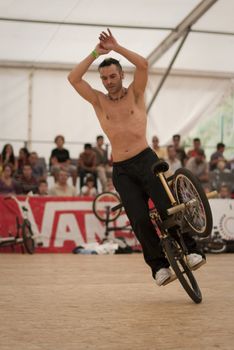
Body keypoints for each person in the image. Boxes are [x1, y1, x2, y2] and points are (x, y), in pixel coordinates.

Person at [68, 28, 205, 286]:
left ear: (121, 75)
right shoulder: (99, 101)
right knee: (139, 219)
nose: (108, 81)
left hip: (146, 159)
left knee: (168, 208)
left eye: (112, 76)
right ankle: (158, 267)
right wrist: (96, 53)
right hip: (122, 168)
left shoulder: (136, 93)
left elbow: (143, 64)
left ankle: (192, 249)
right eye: (105, 78)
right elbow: (73, 78)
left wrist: (116, 47)